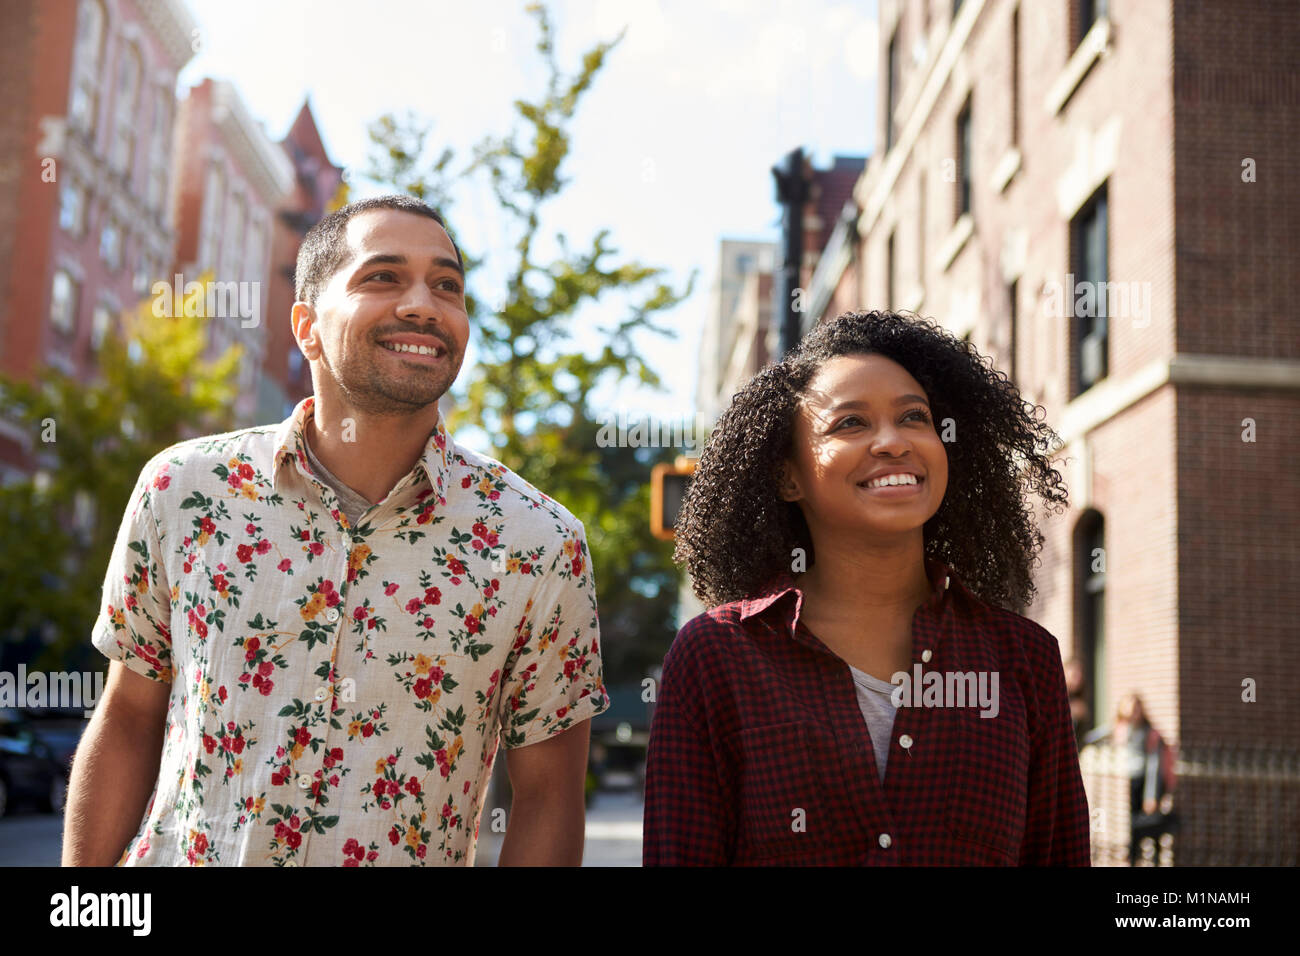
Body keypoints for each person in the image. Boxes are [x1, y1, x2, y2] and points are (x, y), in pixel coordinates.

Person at [63, 195, 609, 867]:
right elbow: (127, 718)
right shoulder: (183, 491)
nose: (423, 304)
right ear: (307, 328)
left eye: (447, 285)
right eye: (383, 276)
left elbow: (549, 799)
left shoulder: (539, 544)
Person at [643, 310, 1090, 865]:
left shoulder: (1025, 660)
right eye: (850, 423)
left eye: (914, 417)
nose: (893, 442)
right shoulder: (715, 658)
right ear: (787, 476)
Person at [1109, 693, 1177, 865]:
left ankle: (1154, 860)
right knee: (1133, 827)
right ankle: (1133, 859)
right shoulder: (1122, 730)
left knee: (1150, 826)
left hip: (1145, 782)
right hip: (1129, 782)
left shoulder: (1150, 733)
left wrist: (1150, 795)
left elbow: (1154, 765)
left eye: (1136, 708)